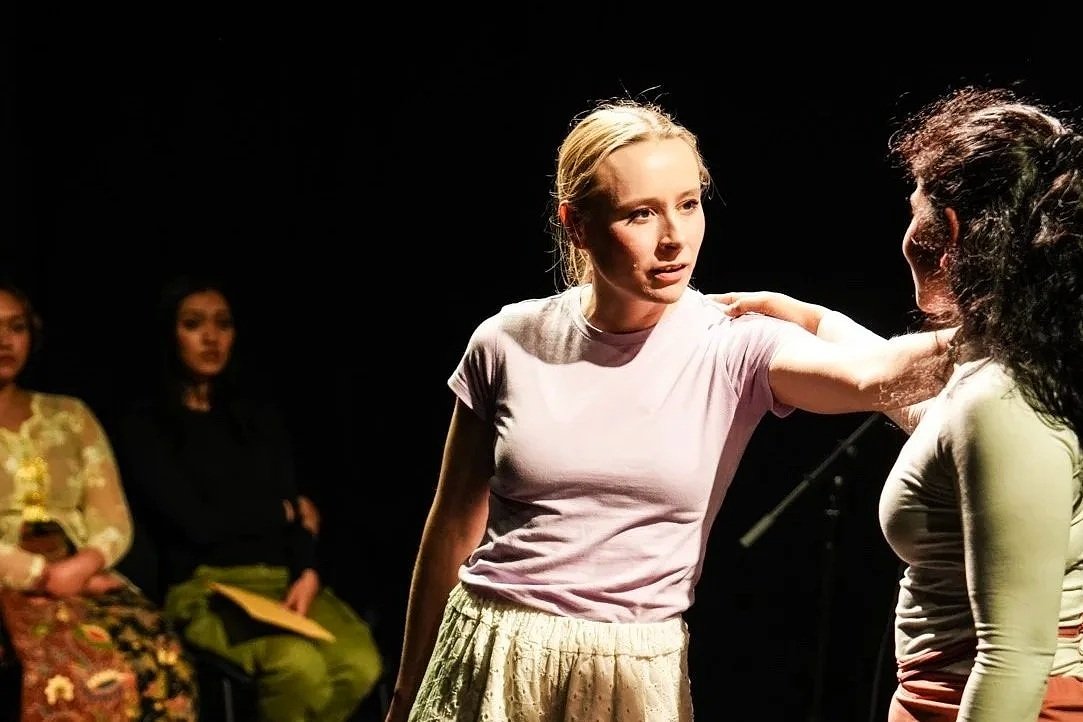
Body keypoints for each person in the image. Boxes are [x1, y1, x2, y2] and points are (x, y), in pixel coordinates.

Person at [385, 98, 956, 722]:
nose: (674, 238)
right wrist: (406, 692)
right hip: (491, 651)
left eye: (689, 203)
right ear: (576, 224)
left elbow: (879, 378)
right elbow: (451, 528)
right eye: (641, 214)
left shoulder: (733, 340)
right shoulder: (507, 339)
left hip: (632, 667)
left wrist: (824, 320)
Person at [718, 85, 1083, 720]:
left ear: (949, 230)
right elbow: (927, 412)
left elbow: (1015, 658)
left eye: (913, 208)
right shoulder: (1018, 364)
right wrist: (810, 319)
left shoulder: (1002, 399)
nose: (905, 230)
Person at [111, 274, 384, 722]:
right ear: (169, 333)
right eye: (194, 324)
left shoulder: (256, 418)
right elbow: (197, 524)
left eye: (223, 324)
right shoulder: (147, 425)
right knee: (299, 669)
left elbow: (301, 516)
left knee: (360, 664)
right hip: (208, 585)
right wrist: (281, 509)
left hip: (282, 581)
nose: (211, 337)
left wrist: (308, 570)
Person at [0, 277, 197, 720]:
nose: (3, 341)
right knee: (67, 678)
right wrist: (41, 575)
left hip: (80, 576)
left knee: (162, 658)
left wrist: (82, 566)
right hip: (10, 577)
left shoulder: (69, 415)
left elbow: (112, 515)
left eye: (15, 327)